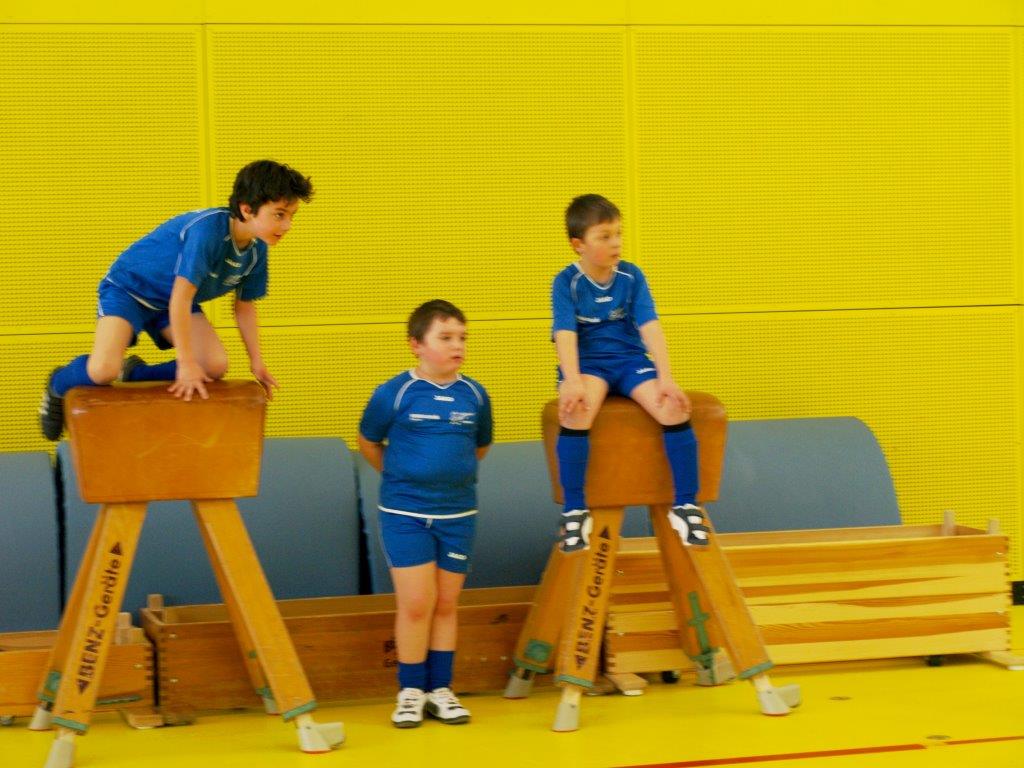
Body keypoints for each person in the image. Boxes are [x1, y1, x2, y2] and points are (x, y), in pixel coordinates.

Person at [38, 160, 314, 439]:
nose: (287, 225)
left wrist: (257, 362)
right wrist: (185, 362)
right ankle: (58, 382)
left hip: (171, 299)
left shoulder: (256, 250)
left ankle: (135, 373)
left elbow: (244, 307)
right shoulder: (207, 232)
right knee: (103, 370)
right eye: (279, 215)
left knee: (213, 366)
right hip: (130, 290)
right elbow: (181, 298)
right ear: (246, 209)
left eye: (291, 216)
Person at [358, 300, 493, 728]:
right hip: (405, 514)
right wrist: (403, 477)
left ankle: (441, 690)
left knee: (447, 603)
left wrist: (448, 478)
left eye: (462, 338)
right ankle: (411, 691)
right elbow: (368, 442)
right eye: (446, 337)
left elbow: (480, 446)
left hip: (458, 515)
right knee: (417, 603)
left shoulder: (475, 395)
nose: (458, 346)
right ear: (416, 344)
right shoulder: (394, 393)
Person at [551, 194, 709, 552]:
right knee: (576, 412)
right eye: (605, 236)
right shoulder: (566, 282)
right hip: (590, 365)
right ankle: (574, 509)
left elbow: (650, 324)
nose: (616, 243)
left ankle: (686, 504)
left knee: (674, 408)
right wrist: (571, 380)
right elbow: (565, 332)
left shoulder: (631, 276)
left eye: (618, 234)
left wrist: (666, 377)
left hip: (629, 361)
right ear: (579, 244)